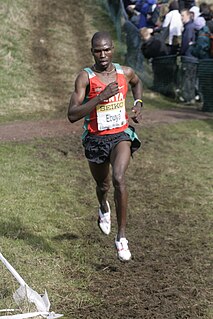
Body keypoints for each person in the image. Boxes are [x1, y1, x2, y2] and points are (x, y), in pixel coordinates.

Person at [67, 31, 143, 262]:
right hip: (95, 138)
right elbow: (72, 114)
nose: (103, 54)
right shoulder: (85, 78)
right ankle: (103, 206)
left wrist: (138, 103)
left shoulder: (124, 72)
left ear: (113, 49)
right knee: (103, 185)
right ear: (92, 52)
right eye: (98, 50)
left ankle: (121, 238)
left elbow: (137, 83)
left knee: (119, 178)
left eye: (107, 49)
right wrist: (99, 98)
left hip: (120, 135)